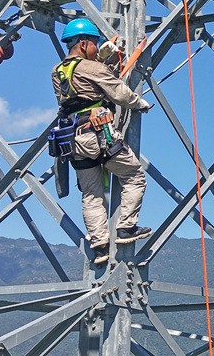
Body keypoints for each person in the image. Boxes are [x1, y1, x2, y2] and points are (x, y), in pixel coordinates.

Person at [52, 19, 153, 264]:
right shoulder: (91, 68)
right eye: (95, 44)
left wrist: (102, 61)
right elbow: (119, 93)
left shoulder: (58, 72)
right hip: (98, 135)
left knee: (91, 193)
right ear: (84, 43)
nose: (97, 48)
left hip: (73, 141)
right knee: (134, 175)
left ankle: (99, 246)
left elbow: (83, 88)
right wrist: (141, 103)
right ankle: (126, 228)